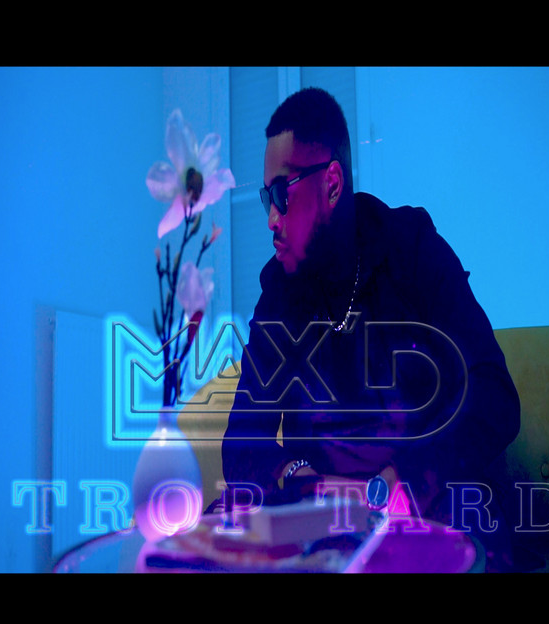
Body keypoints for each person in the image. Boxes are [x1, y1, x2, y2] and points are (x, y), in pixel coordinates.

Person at [220, 87, 520, 567]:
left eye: (281, 194)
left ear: (331, 184)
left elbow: (494, 396)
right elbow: (241, 442)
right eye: (265, 199)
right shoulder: (280, 288)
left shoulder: (411, 249)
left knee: (468, 522)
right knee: (213, 528)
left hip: (425, 505)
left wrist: (402, 480)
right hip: (319, 524)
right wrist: (304, 481)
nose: (272, 219)